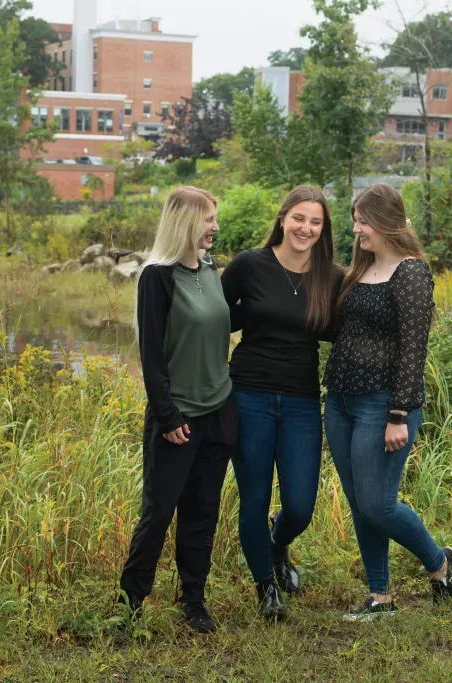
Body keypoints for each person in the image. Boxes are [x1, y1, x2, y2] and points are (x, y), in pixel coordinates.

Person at [323, 183, 452, 621]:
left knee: (377, 503)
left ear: (382, 222)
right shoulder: (360, 269)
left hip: (382, 406)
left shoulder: (411, 272)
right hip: (340, 400)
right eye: (356, 219)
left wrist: (398, 414)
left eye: (362, 220)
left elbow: (413, 349)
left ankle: (439, 563)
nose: (356, 228)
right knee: (359, 501)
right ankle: (380, 597)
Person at [117, 186, 236, 634]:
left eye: (214, 218)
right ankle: (129, 606)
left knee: (203, 512)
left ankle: (193, 601)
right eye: (208, 219)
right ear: (184, 222)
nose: (215, 227)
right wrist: (168, 417)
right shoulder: (157, 277)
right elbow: (151, 356)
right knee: (159, 512)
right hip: (177, 418)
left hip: (218, 413)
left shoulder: (209, 267)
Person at [221, 185, 343, 621]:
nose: (305, 229)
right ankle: (266, 586)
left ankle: (277, 547)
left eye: (315, 222)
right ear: (282, 218)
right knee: (253, 498)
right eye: (299, 218)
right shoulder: (249, 265)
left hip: (302, 402)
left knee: (299, 505)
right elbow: (214, 318)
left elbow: (350, 327)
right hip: (249, 394)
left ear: (323, 229)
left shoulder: (332, 276)